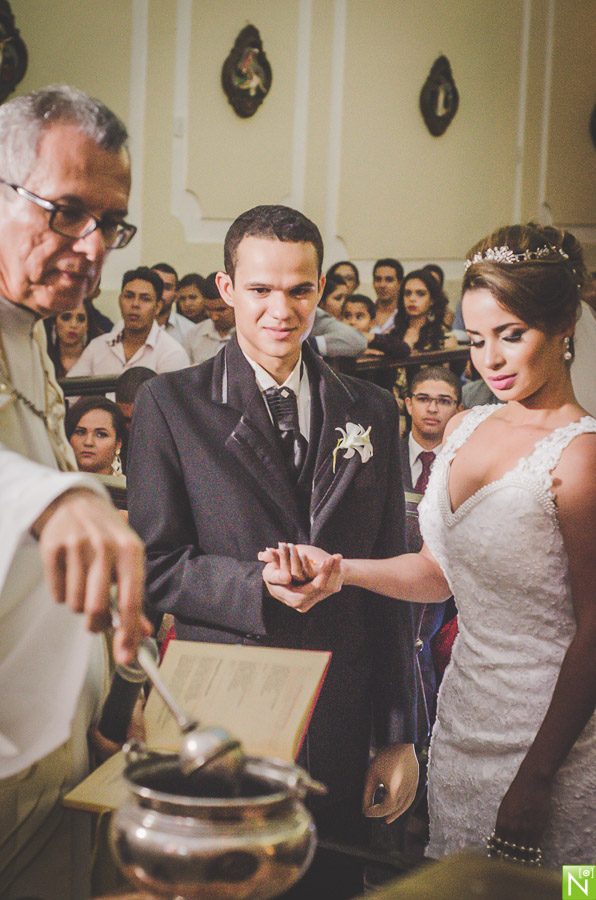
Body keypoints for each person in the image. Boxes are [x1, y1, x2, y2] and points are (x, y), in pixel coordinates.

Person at [261, 222, 596, 869]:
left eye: (511, 335)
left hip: (557, 742)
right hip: (465, 721)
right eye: (476, 339)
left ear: (563, 329)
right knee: (458, 878)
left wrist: (539, 776)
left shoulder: (581, 457)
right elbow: (439, 574)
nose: (489, 359)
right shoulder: (467, 426)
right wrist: (341, 570)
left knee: (573, 884)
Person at [127, 204, 422, 899]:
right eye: (260, 289)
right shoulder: (173, 406)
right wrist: (258, 588)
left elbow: (388, 580)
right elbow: (156, 565)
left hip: (342, 713)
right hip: (228, 713)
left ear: (319, 290)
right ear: (227, 289)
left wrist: (397, 730)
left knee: (331, 882)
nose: (280, 310)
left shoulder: (373, 410)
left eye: (300, 289)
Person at [0, 84, 148, 900]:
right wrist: (59, 497)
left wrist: (105, 685)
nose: (94, 248)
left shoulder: (26, 326)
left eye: (112, 223)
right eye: (65, 211)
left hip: (61, 751)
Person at [68, 266, 189, 377]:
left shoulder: (171, 353)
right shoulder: (98, 346)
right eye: (129, 296)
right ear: (120, 300)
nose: (135, 304)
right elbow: (69, 397)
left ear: (157, 307)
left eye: (145, 299)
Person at [66, 395, 126, 476]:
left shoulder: (130, 488)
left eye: (101, 435)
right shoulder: (50, 486)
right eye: (80, 432)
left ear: (118, 443)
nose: (88, 442)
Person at [184, 272, 236, 365]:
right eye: (208, 309)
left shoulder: (250, 335)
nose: (214, 317)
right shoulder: (194, 334)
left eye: (221, 310)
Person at [44, 298, 100, 377]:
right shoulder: (43, 361)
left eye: (80, 319)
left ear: (87, 326)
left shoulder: (97, 360)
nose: (73, 325)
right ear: (54, 323)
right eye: (66, 317)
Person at [153, 261, 194, 345]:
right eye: (155, 286)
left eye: (167, 287)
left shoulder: (190, 331)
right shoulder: (126, 326)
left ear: (176, 295)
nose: (160, 292)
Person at [371, 258, 404, 334]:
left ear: (400, 283)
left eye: (389, 280)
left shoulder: (407, 315)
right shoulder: (365, 311)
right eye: (378, 279)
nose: (382, 285)